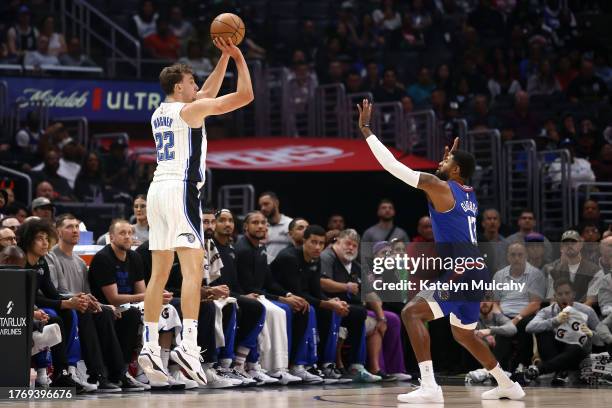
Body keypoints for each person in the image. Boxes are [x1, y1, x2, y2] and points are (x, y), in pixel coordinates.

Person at [359, 99, 524, 402]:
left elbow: (393, 167)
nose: (440, 163)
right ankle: (507, 383)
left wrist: (367, 131)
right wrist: (450, 165)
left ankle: (430, 387)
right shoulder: (468, 194)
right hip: (477, 273)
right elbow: (452, 187)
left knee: (411, 312)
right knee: (463, 334)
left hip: (461, 272)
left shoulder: (440, 186)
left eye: (446, 162)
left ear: (456, 169)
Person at [140, 36, 253, 387]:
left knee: (159, 275)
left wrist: (222, 57)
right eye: (191, 81)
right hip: (180, 190)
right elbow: (244, 96)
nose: (197, 86)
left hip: (156, 192)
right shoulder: (191, 111)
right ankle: (189, 346)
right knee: (193, 270)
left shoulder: (162, 111)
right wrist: (239, 60)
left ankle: (148, 347)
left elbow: (206, 92)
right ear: (179, 86)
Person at [525, 279, 600, 385]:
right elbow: (529, 327)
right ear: (555, 296)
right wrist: (554, 321)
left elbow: (602, 339)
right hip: (555, 351)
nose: (564, 297)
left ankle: (540, 369)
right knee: (543, 332)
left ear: (573, 294)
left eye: (567, 293)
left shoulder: (587, 311)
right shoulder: (547, 311)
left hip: (576, 351)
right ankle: (560, 371)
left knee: (576, 344)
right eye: (560, 294)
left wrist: (590, 333)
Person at [258, 192, 293, 263]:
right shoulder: (260, 226)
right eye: (261, 206)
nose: (263, 208)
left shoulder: (290, 224)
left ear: (276, 203)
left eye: (266, 204)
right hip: (265, 270)